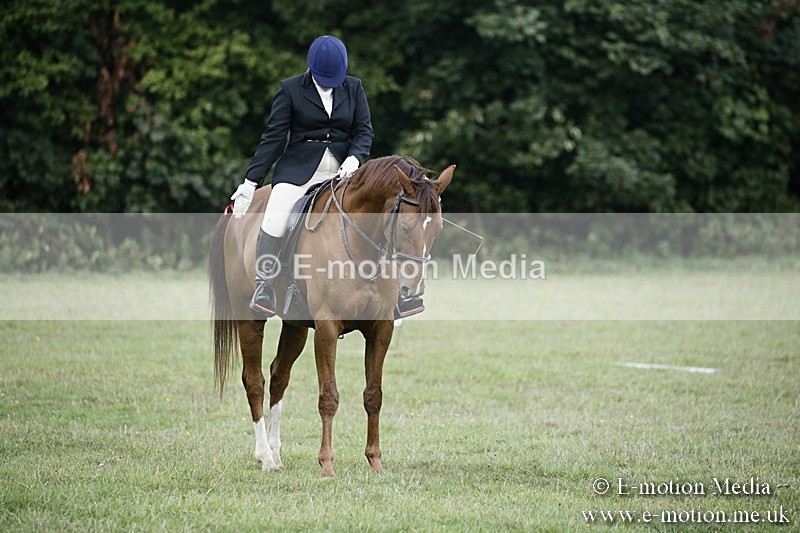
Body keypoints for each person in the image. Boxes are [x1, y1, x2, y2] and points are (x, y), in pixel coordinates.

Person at [229, 35, 373, 319]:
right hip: (300, 170)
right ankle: (265, 285)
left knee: (378, 215)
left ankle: (393, 290)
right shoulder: (290, 89)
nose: (329, 84)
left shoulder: (354, 87)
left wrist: (355, 158)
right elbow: (273, 138)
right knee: (276, 214)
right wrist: (250, 182)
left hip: (344, 171)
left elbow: (364, 130)